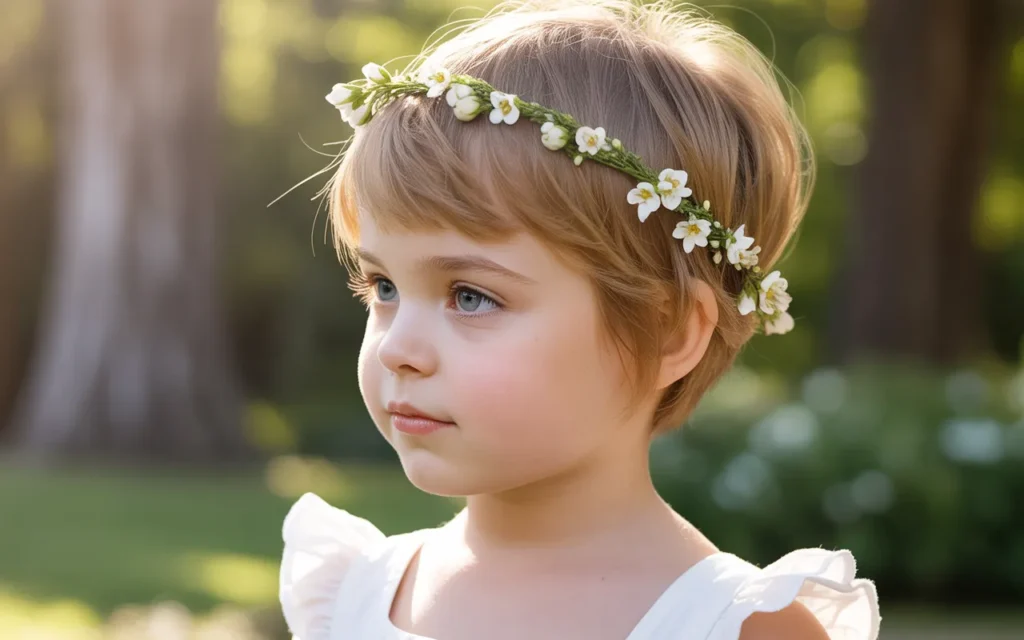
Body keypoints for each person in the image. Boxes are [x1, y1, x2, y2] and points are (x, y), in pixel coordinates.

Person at [279, 1, 880, 638]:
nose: (398, 347)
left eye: (470, 296)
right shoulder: (356, 595)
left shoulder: (731, 626)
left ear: (669, 331)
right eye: (385, 286)